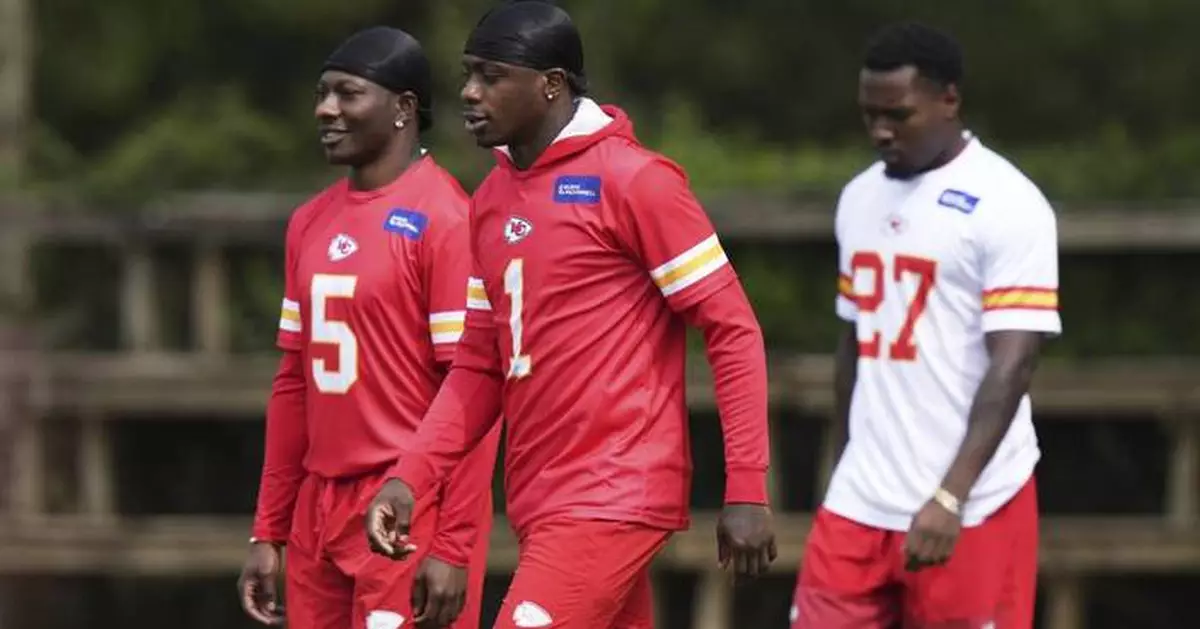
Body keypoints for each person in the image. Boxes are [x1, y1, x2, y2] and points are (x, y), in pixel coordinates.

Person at [363, 2, 777, 627]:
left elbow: (732, 329)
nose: (469, 93)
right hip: (542, 500)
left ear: (551, 84)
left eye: (492, 75)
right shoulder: (491, 198)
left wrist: (747, 485)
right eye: (468, 74)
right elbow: (479, 366)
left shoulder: (636, 181)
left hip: (615, 491)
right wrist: (410, 478)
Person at [789, 21, 1061, 629]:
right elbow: (854, 342)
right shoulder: (858, 197)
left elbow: (1013, 362)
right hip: (861, 499)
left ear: (949, 100)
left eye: (898, 115)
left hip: (971, 502)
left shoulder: (1009, 204)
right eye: (869, 115)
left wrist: (950, 496)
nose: (881, 130)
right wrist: (844, 466)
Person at [236, 26, 501, 629]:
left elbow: (474, 394)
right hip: (317, 508)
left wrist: (454, 546)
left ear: (404, 108)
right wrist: (268, 529)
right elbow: (293, 386)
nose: (324, 109)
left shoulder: (446, 219)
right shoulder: (308, 221)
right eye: (322, 93)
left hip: (406, 507)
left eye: (347, 93)